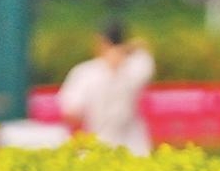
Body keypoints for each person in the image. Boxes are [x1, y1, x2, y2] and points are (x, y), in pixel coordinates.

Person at [56, 18, 155, 155]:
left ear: (99, 40)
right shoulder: (138, 65)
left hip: (99, 148)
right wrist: (126, 50)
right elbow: (142, 48)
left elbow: (71, 113)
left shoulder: (85, 72)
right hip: (136, 149)